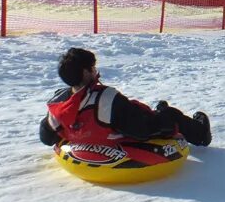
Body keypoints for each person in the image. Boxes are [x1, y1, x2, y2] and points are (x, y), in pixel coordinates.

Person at [39, 47, 211, 148]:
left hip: (87, 138)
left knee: (144, 112)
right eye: (92, 67)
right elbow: (140, 132)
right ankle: (201, 134)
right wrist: (166, 126)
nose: (95, 70)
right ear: (85, 72)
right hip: (115, 138)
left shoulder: (59, 101)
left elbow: (46, 138)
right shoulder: (107, 98)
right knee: (170, 115)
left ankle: (159, 111)